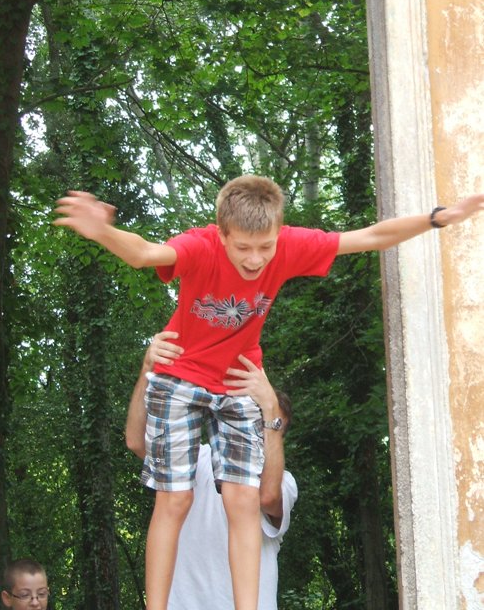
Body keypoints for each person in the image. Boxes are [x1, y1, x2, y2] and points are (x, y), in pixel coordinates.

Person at [54, 175, 484, 610]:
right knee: (176, 498)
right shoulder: (200, 246)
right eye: (243, 248)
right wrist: (102, 231)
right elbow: (145, 253)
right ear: (222, 234)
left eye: (266, 247)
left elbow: (369, 237)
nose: (256, 259)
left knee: (243, 499)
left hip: (238, 378)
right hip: (180, 374)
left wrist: (437, 218)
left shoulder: (290, 246)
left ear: (279, 233)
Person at [125, 330, 297, 610]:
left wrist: (270, 408)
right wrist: (148, 370)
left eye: (267, 422)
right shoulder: (199, 460)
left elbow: (267, 498)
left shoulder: (284, 483)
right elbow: (136, 441)